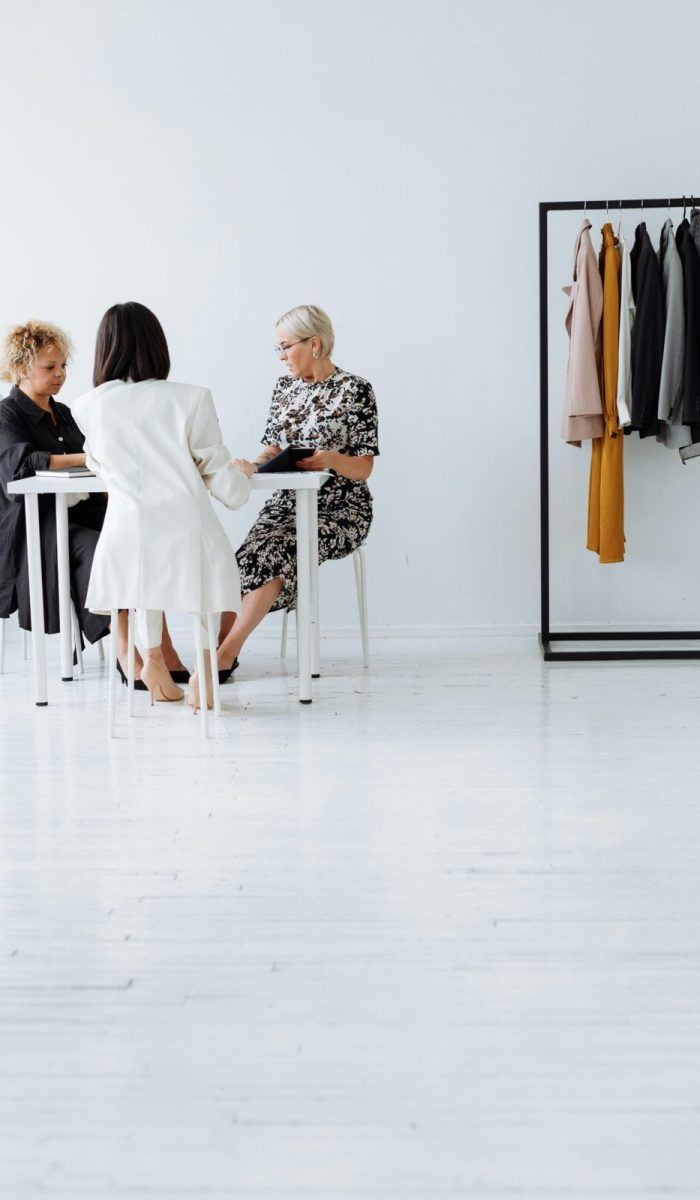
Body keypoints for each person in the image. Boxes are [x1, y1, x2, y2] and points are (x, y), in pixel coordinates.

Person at [71, 302, 256, 709]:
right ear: (158, 344)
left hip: (125, 535)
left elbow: (100, 468)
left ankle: (152, 656)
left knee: (144, 574)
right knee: (211, 574)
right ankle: (205, 665)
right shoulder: (191, 398)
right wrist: (242, 474)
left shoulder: (87, 407)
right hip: (187, 528)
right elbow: (222, 481)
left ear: (104, 348)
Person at [216, 304, 379, 675]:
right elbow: (273, 448)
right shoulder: (285, 388)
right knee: (239, 561)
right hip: (286, 502)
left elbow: (365, 468)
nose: (281, 357)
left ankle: (226, 655)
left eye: (286, 346)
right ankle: (218, 650)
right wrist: (254, 465)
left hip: (341, 509)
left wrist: (331, 459)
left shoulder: (355, 390)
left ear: (315, 344)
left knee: (276, 549)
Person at [0, 320, 111, 652]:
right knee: (97, 549)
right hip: (39, 525)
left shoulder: (65, 413)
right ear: (21, 368)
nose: (60, 374)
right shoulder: (7, 415)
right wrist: (88, 456)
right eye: (50, 367)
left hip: (82, 514)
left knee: (132, 537)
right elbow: (19, 464)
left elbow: (97, 458)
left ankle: (147, 646)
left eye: (63, 366)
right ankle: (127, 651)